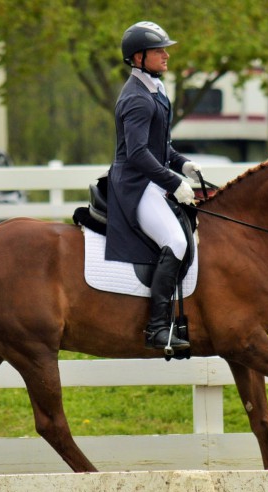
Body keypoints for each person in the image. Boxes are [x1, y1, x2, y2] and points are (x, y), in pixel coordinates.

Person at [105, 21, 202, 352]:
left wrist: (183, 164)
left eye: (165, 49)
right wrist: (174, 182)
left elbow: (160, 149)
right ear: (138, 57)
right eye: (159, 50)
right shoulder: (137, 99)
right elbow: (136, 154)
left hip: (151, 179)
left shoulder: (154, 91)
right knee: (175, 241)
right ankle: (158, 328)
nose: (166, 55)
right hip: (135, 185)